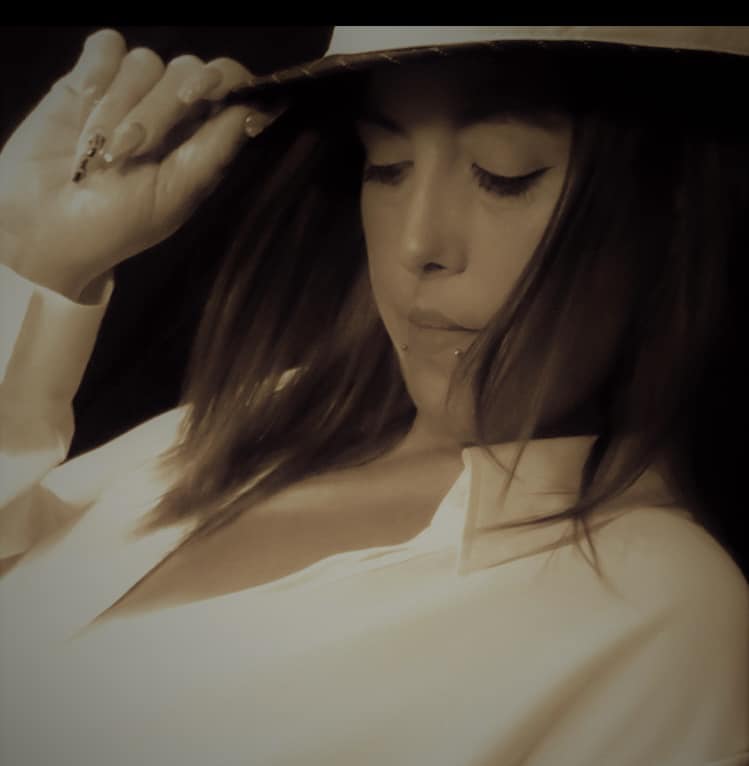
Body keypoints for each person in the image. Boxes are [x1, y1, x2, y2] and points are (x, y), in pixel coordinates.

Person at [0, 25, 747, 766]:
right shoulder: (257, 419)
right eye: (386, 165)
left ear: (673, 204)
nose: (416, 244)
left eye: (503, 172)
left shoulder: (660, 618)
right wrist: (33, 256)